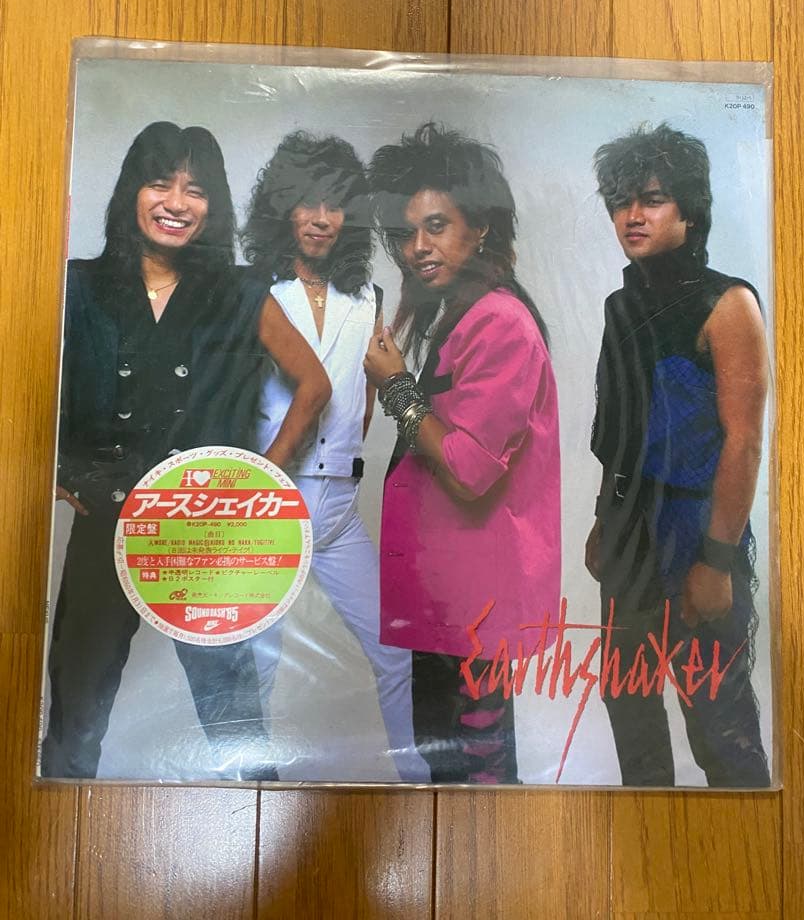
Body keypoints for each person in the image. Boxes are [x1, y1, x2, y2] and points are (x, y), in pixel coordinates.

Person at [41, 121, 330, 780]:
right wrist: (52, 467)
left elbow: (314, 385)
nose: (176, 202)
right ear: (131, 193)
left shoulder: (240, 292)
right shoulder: (78, 286)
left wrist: (259, 480)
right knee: (73, 717)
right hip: (106, 524)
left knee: (235, 722)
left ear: (213, 205)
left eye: (195, 190)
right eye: (159, 184)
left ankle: (261, 835)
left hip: (204, 535)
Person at [364, 122, 561, 784]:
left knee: (477, 770)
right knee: (445, 760)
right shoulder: (460, 313)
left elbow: (468, 471)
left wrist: (396, 386)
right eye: (405, 233)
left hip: (473, 603)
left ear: (478, 228)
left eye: (437, 226)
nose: (417, 247)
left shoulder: (499, 321)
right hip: (448, 594)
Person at [587, 122, 770, 787]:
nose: (632, 215)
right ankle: (651, 834)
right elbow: (621, 429)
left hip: (697, 528)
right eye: (621, 202)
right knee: (628, 703)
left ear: (689, 211)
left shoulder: (728, 303)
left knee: (720, 724)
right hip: (629, 530)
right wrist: (604, 521)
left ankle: (747, 843)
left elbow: (744, 442)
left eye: (653, 199)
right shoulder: (620, 305)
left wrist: (716, 561)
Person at [242, 130, 429, 782]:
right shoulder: (255, 292)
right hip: (272, 500)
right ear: (283, 206)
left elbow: (366, 399)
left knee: (395, 651)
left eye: (337, 204)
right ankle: (248, 785)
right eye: (308, 202)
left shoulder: (366, 297)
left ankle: (417, 780)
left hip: (341, 508)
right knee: (256, 667)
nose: (322, 218)